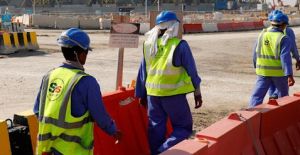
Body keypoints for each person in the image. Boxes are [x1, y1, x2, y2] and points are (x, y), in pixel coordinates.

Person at [33, 28, 122, 155]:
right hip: (74, 150)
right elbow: (101, 117)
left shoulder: (49, 76)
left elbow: (38, 111)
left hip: (48, 148)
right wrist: (114, 131)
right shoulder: (86, 82)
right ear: (81, 54)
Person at [135, 11, 203, 154]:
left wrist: (142, 94)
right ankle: (163, 152)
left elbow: (143, 71)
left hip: (152, 96)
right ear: (174, 26)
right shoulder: (179, 45)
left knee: (155, 128)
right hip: (173, 96)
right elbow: (192, 71)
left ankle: (156, 152)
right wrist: (197, 93)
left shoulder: (148, 45)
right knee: (183, 128)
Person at [249, 13, 295, 108]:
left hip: (263, 72)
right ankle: (282, 116)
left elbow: (255, 52)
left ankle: (251, 115)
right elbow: (285, 57)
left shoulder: (262, 35)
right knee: (283, 98)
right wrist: (289, 75)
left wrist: (255, 66)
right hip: (279, 74)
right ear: (283, 25)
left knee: (257, 96)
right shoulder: (284, 38)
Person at [266, 10, 300, 99]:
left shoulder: (265, 32)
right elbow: (293, 47)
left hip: (267, 65)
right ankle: (277, 97)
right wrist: (297, 59)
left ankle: (273, 101)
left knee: (271, 86)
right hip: (281, 65)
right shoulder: (288, 31)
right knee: (282, 87)